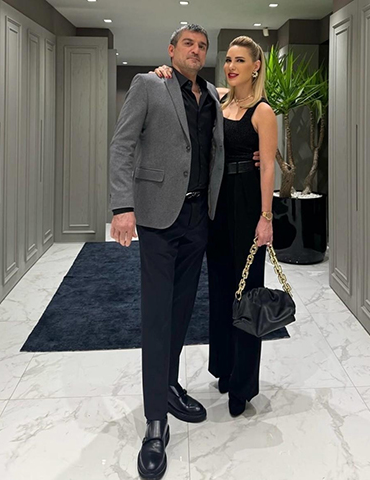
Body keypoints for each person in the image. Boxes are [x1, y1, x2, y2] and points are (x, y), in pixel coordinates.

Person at [109, 24, 223, 480]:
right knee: (157, 316)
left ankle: (170, 385)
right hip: (158, 218)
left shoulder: (211, 95)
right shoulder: (148, 84)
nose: (196, 50)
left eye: (202, 46)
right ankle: (155, 422)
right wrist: (122, 207)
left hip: (198, 218)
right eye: (188, 44)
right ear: (171, 50)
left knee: (180, 312)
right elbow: (122, 145)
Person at [153, 36, 277, 417]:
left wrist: (266, 217)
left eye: (240, 60)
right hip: (217, 205)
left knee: (247, 295)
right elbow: (190, 85)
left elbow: (268, 168)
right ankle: (224, 367)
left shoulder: (263, 111)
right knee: (221, 292)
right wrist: (164, 72)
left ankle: (243, 384)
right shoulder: (219, 101)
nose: (231, 66)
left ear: (256, 66)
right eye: (228, 60)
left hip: (248, 205)